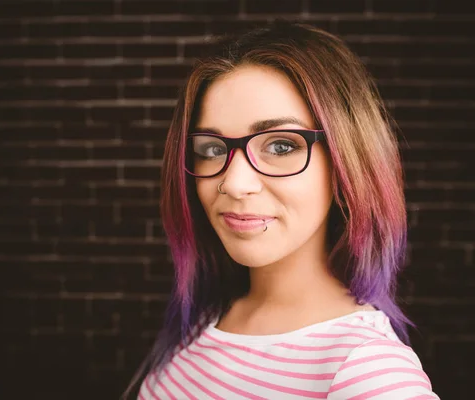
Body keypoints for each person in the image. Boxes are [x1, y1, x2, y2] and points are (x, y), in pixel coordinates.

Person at [123, 19, 440, 399]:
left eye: (281, 146)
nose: (235, 184)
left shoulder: (365, 371)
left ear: (346, 161)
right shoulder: (206, 317)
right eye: (212, 149)